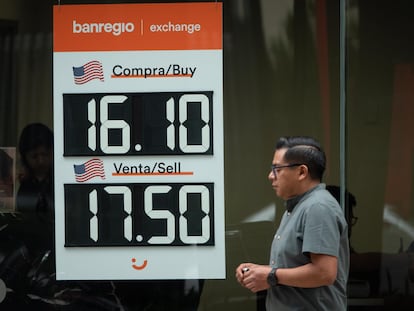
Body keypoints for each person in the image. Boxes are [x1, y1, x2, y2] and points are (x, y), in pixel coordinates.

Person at [236, 136, 349, 310]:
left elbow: (324, 273)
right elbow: (294, 268)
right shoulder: (298, 207)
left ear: (302, 172)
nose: (270, 176)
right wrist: (259, 272)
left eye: (277, 169)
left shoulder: (318, 207)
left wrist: (271, 275)